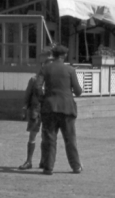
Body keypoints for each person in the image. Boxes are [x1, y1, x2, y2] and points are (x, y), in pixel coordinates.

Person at [36, 44, 84, 175]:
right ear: (64, 55)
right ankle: (76, 166)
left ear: (53, 55)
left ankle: (48, 167)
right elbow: (78, 91)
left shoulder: (45, 68)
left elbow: (37, 86)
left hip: (49, 107)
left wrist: (42, 98)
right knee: (70, 139)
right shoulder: (70, 70)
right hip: (67, 108)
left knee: (49, 139)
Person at [18, 51, 51, 170]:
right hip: (35, 111)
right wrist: (24, 108)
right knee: (32, 136)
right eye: (45, 65)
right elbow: (27, 96)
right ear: (42, 66)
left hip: (48, 112)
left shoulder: (52, 82)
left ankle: (43, 161)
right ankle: (29, 161)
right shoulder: (34, 80)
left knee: (46, 136)